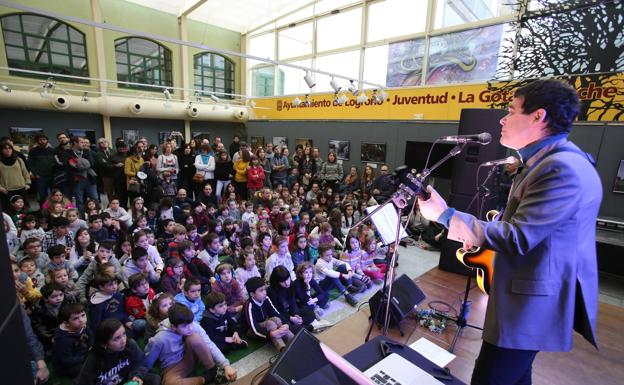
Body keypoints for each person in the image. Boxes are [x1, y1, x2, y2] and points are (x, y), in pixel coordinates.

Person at [417, 79, 602, 385]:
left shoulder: (560, 169)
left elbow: (519, 237)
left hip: (529, 306)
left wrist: (445, 215)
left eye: (511, 110)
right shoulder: (545, 162)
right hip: (525, 299)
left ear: (538, 116)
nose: (502, 119)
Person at [143, 303, 237, 385]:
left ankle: (214, 371)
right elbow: (147, 362)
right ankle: (206, 379)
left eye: (191, 323)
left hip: (192, 356)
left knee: (195, 337)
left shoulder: (192, 325)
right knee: (169, 383)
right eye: (184, 326)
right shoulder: (159, 339)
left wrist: (226, 365)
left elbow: (209, 344)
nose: (190, 328)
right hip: (172, 366)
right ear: (173, 327)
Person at [75, 318, 160, 385]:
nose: (123, 341)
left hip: (127, 379)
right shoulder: (94, 358)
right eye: (116, 338)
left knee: (154, 379)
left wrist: (136, 376)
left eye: (124, 334)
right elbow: (82, 382)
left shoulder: (130, 344)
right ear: (104, 343)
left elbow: (141, 363)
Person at [242, 276, 294, 351]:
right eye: (261, 290)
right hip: (252, 330)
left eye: (265, 289)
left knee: (277, 319)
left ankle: (294, 340)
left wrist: (286, 324)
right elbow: (254, 328)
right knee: (270, 324)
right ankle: (283, 349)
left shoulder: (266, 299)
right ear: (252, 294)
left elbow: (276, 313)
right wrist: (270, 334)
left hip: (265, 325)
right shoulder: (249, 305)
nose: (264, 293)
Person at [52, 303, 93, 377]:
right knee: (87, 368)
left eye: (83, 315)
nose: (81, 320)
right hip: (68, 365)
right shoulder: (63, 340)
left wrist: (91, 348)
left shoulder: (82, 326)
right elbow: (66, 360)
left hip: (83, 353)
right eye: (75, 318)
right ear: (66, 323)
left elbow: (91, 337)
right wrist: (86, 358)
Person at [0, 142, 31, 210]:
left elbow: (25, 172)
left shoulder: (18, 160)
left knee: (24, 209)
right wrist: (0, 188)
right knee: (8, 210)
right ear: (1, 150)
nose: (8, 150)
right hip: (6, 191)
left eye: (9, 148)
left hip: (21, 189)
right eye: (5, 148)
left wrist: (28, 183)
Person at [28, 134, 57, 205]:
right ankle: (44, 212)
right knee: (43, 196)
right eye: (40, 140)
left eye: (44, 139)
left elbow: (56, 162)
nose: (42, 141)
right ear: (37, 141)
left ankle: (54, 211)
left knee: (54, 195)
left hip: (52, 176)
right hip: (40, 177)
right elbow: (30, 164)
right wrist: (35, 174)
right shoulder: (33, 151)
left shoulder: (52, 150)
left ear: (47, 140)